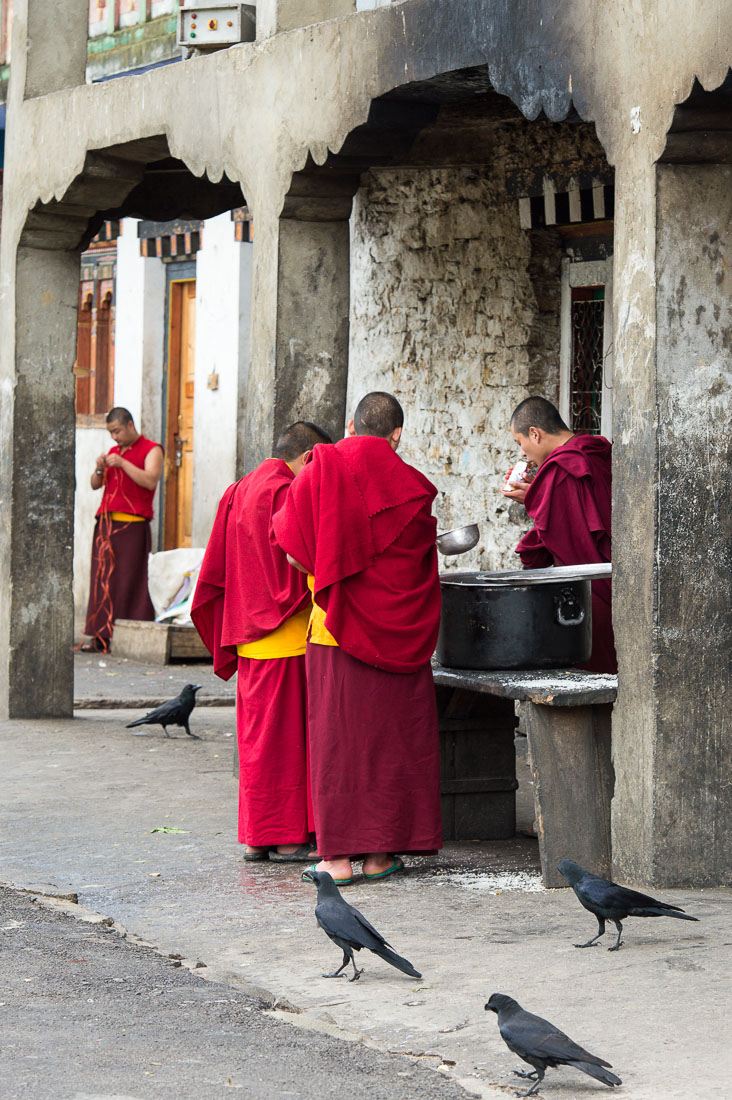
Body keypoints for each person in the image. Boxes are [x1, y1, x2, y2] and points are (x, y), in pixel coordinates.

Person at [273, 392, 443, 885]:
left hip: (333, 629)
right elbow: (418, 563)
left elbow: (291, 549)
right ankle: (378, 856)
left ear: (350, 425)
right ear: (396, 436)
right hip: (399, 636)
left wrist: (330, 576)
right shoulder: (412, 487)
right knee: (390, 742)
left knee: (338, 744)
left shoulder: (322, 468)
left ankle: (336, 861)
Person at [191, 421, 333, 862]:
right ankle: (290, 837)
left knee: (258, 744)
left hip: (248, 635)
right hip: (287, 635)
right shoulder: (287, 491)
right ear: (310, 457)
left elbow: (217, 567)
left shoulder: (238, 489)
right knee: (288, 744)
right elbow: (303, 560)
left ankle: (258, 837)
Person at [501, 395, 616, 674]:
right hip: (617, 580)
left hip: (591, 590)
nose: (523, 454)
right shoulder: (594, 452)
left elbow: (550, 542)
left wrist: (537, 498)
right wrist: (539, 493)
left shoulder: (561, 468)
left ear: (535, 434)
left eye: (521, 444)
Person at [82, 407, 163, 653]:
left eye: (117, 431)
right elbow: (96, 485)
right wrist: (99, 468)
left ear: (130, 425)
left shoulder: (152, 449)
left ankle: (128, 636)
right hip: (106, 525)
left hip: (133, 526)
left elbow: (150, 480)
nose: (114, 437)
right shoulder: (114, 452)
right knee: (102, 578)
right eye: (111, 433)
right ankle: (100, 635)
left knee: (129, 580)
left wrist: (124, 463)